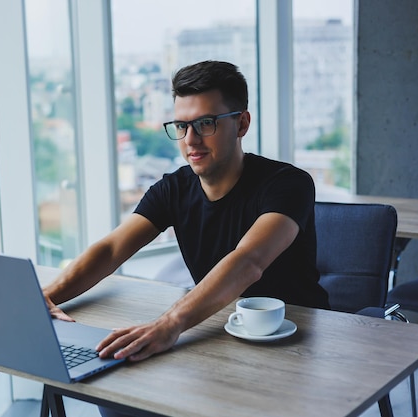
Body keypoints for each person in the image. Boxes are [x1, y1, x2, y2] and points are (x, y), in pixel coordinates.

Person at [43, 60, 330, 416]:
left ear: (241, 124)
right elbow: (112, 248)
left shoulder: (288, 184)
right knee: (117, 388)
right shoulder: (173, 188)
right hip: (215, 331)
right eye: (182, 125)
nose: (191, 140)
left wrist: (170, 323)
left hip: (295, 345)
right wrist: (45, 297)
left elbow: (248, 262)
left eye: (206, 124)